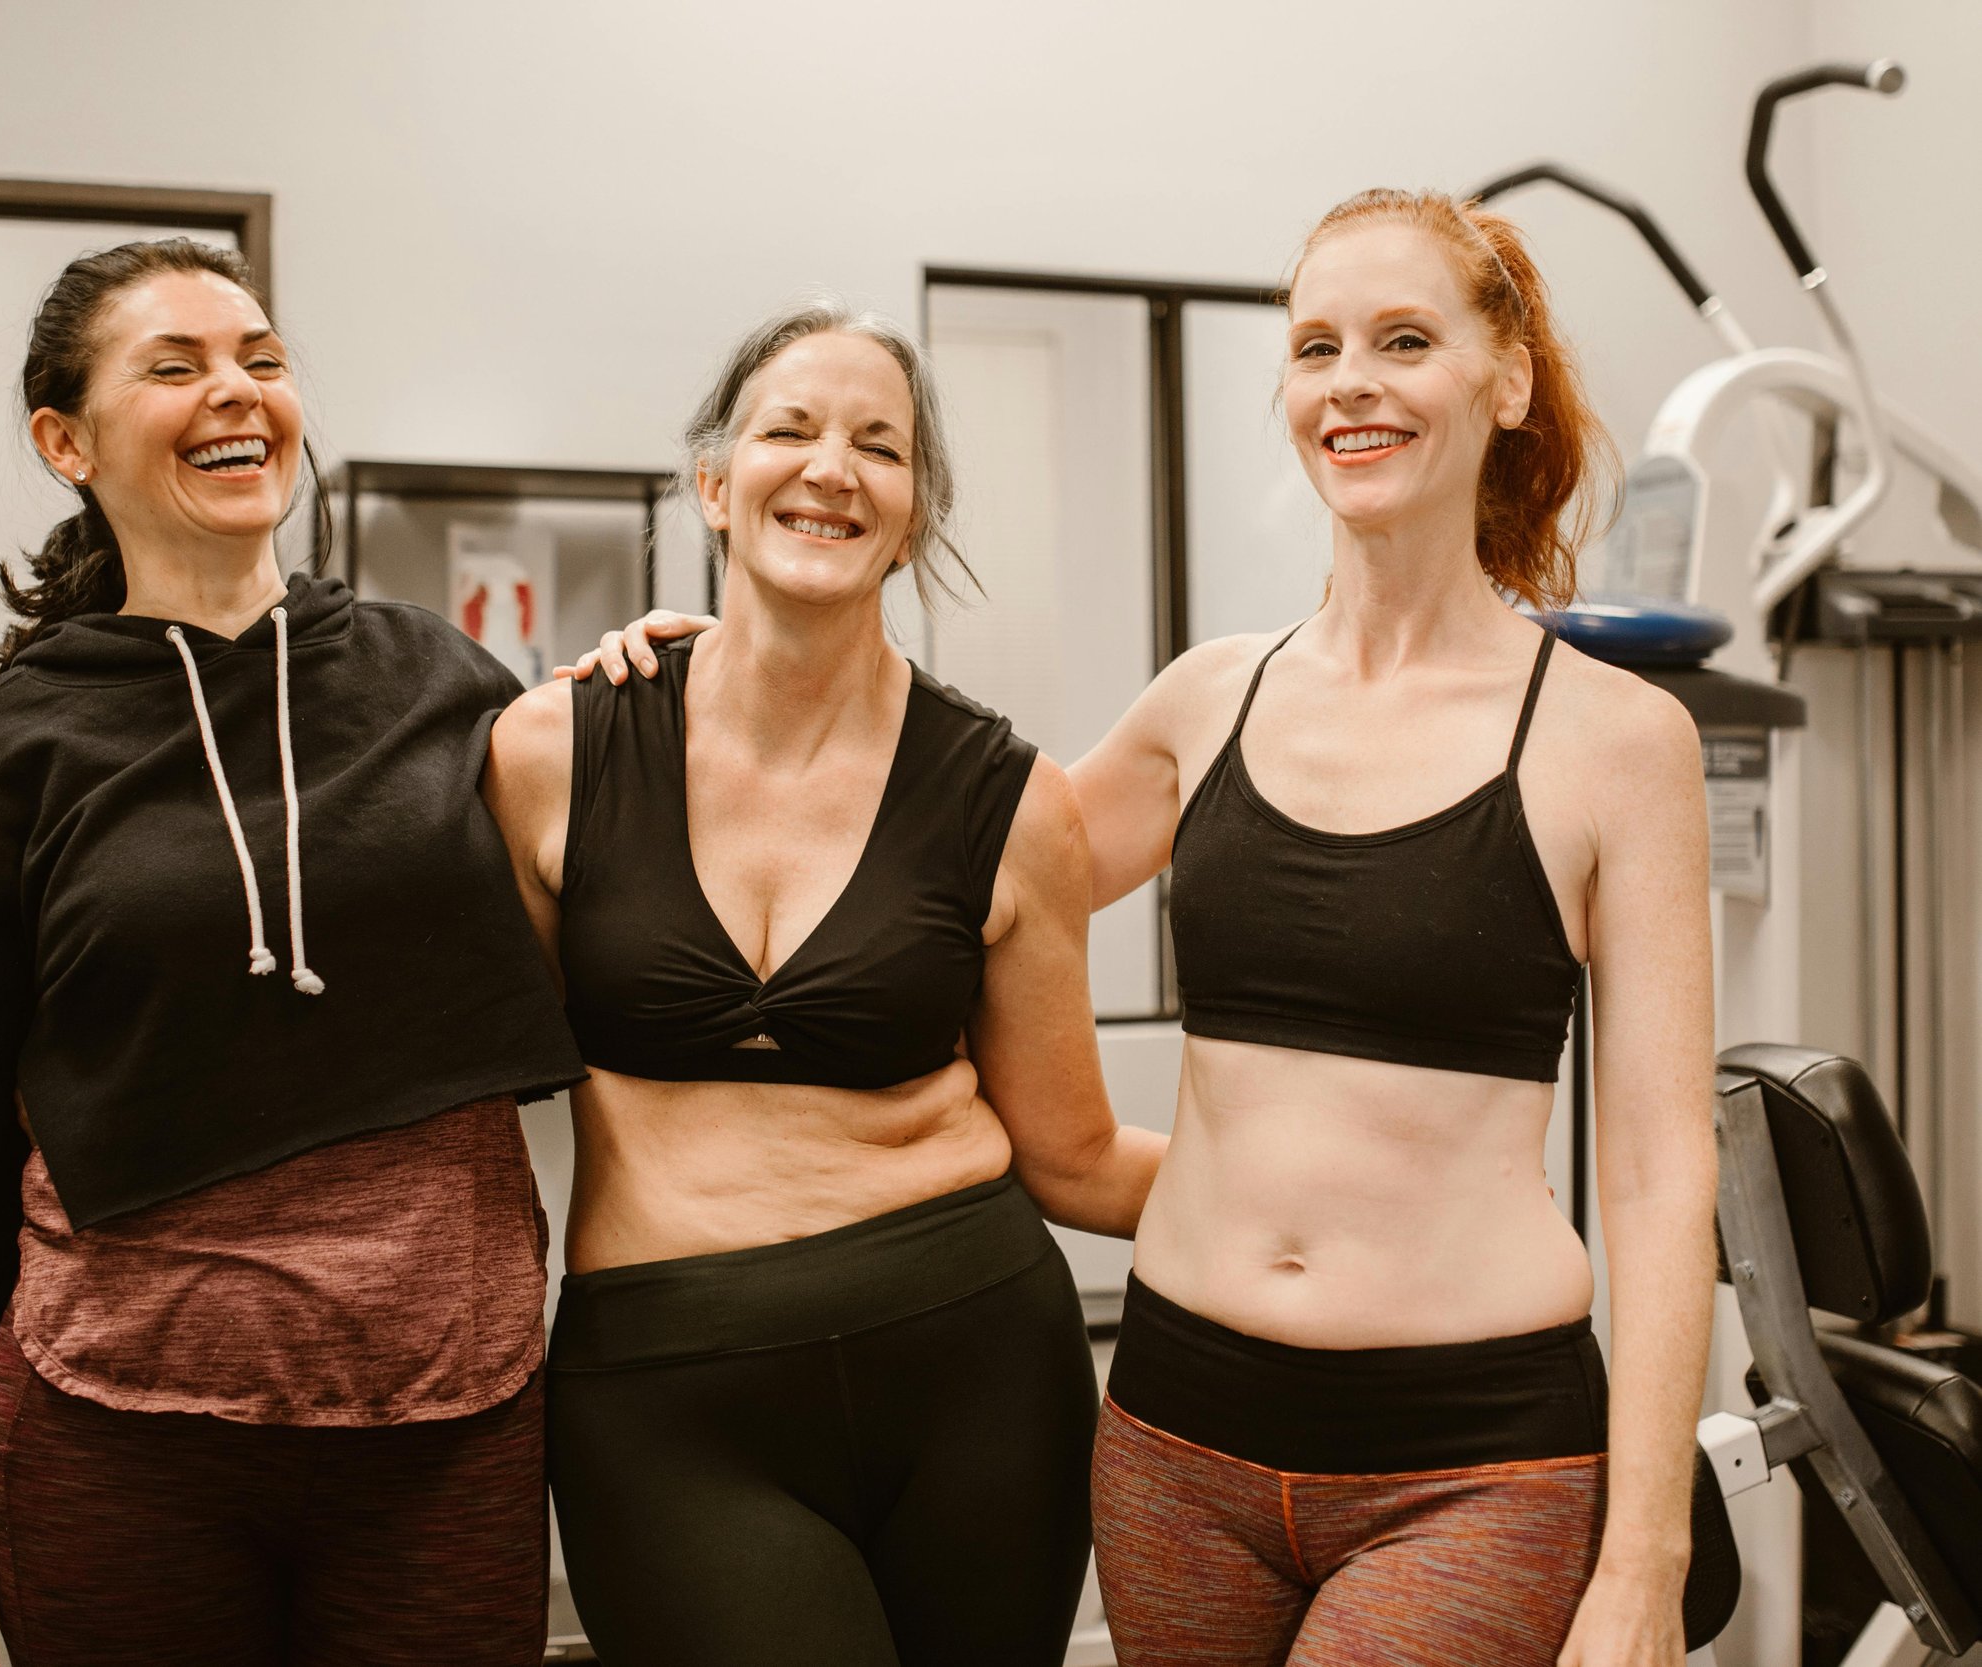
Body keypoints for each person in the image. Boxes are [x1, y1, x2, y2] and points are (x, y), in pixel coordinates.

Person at [0, 237, 585, 1667]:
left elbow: (626, 898)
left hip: (445, 1416)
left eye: (262, 359)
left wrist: (700, 685)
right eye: (176, 366)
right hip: (119, 1432)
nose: (238, 390)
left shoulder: (439, 676)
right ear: (66, 443)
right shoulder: (20, 739)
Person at [1074, 191, 1713, 1666]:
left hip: (1469, 1467)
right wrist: (739, 667)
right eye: (1317, 347)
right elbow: (963, 873)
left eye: (1404, 340)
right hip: (1176, 1441)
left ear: (1507, 381)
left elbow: (1660, 1174)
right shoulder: (1206, 697)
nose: (1349, 383)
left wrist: (1647, 1561)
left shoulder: (1619, 741)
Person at [485, 300, 1165, 1667]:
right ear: (714, 484)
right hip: (671, 1384)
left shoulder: (1010, 799)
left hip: (976, 1358)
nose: (832, 469)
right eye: (788, 430)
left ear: (911, 519)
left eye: (880, 447)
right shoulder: (551, 752)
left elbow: (1075, 1154)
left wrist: (1341, 1200)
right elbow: (467, 1071)